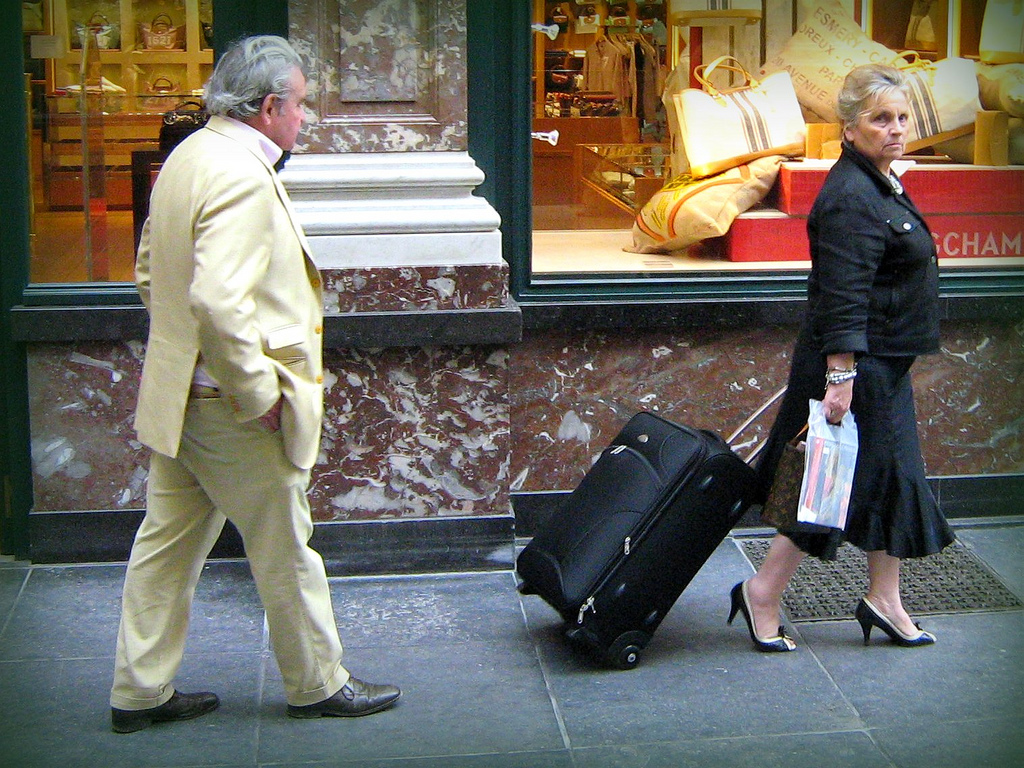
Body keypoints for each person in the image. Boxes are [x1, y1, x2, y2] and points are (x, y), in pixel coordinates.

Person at [109, 35, 400, 733]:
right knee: (286, 548)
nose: (304, 118)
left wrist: (189, 355)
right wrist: (257, 392)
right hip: (228, 407)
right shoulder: (240, 172)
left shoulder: (188, 155)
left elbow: (151, 272)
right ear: (270, 106)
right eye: (300, 105)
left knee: (165, 548)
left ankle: (138, 691)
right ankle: (318, 682)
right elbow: (216, 298)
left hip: (183, 393)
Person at [729, 64, 954, 653]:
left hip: (881, 363)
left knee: (892, 477)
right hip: (856, 367)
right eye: (881, 119)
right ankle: (763, 591)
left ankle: (884, 598)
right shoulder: (853, 196)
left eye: (902, 116)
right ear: (849, 128)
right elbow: (843, 296)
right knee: (827, 481)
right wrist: (841, 379)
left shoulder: (880, 180)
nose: (896, 128)